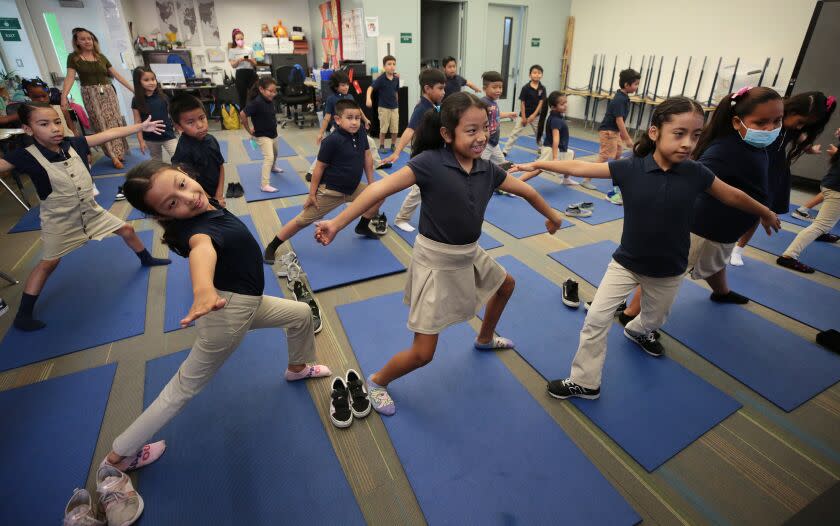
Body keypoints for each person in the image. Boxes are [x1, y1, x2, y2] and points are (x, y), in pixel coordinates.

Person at [508, 97, 779, 399]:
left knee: (653, 319)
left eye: (696, 135)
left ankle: (638, 330)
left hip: (668, 269)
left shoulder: (697, 173)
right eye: (679, 133)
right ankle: (585, 381)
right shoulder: (630, 169)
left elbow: (732, 195)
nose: (688, 143)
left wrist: (765, 211)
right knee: (596, 318)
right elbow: (580, 164)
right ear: (654, 132)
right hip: (626, 263)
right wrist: (539, 163)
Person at [99, 160, 330, 515]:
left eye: (182, 184)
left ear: (186, 172)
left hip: (245, 301)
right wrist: (203, 289)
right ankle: (116, 459)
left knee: (300, 315)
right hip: (227, 312)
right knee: (182, 389)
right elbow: (202, 251)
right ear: (162, 215)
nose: (187, 198)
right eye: (171, 203)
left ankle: (297, 367)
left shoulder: (205, 206)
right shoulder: (197, 230)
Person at [314, 92, 565, 415]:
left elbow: (527, 190)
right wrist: (337, 222)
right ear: (447, 133)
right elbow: (379, 189)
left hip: (469, 253)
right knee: (423, 353)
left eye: (483, 128)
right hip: (436, 262)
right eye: (470, 130)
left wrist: (553, 216)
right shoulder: (430, 163)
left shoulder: (486, 169)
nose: (480, 137)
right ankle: (377, 380)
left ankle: (484, 338)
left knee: (505, 285)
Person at [0, 103, 171, 332]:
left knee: (127, 230)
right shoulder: (24, 156)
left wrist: (140, 126)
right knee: (48, 263)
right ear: (28, 129)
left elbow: (107, 134)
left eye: (57, 122)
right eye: (44, 124)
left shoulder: (74, 144)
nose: (55, 128)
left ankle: (146, 259)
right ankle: (23, 314)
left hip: (91, 211)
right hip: (59, 221)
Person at [621, 87, 785, 323]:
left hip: (724, 229)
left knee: (716, 263)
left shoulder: (755, 146)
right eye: (761, 122)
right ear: (738, 122)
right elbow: (687, 176)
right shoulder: (724, 151)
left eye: (777, 121)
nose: (770, 129)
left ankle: (722, 292)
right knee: (666, 274)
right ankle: (631, 313)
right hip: (702, 228)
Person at [263, 99, 386, 274]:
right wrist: (312, 195)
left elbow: (367, 157)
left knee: (379, 195)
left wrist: (372, 183)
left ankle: (363, 225)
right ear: (337, 119)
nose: (354, 122)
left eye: (357, 118)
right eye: (349, 117)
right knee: (301, 221)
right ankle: (273, 245)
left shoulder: (360, 134)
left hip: (353, 188)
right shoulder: (331, 141)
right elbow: (319, 168)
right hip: (331, 192)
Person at [730, 92, 837, 265]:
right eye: (800, 122)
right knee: (737, 202)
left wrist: (810, 149)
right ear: (791, 111)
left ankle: (738, 248)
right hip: (754, 164)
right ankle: (727, 241)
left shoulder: (794, 129)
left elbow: (802, 138)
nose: (799, 127)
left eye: (805, 125)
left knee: (758, 211)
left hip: (773, 170)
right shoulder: (770, 119)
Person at [383, 69, 447, 232]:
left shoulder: (435, 105)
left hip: (436, 155)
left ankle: (435, 216)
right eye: (440, 88)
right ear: (427, 88)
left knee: (436, 188)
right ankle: (401, 218)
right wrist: (397, 152)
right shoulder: (422, 108)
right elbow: (410, 130)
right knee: (417, 191)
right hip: (423, 158)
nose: (443, 92)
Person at [61, 27, 134, 170]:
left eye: (89, 38)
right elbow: (69, 78)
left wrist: (133, 89)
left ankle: (120, 152)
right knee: (101, 124)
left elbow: (117, 75)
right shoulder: (74, 58)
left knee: (115, 121)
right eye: (83, 39)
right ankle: (113, 156)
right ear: (77, 42)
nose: (87, 41)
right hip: (90, 94)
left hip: (108, 92)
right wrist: (64, 96)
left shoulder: (101, 57)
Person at [306, 71, 382, 183]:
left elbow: (358, 110)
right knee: (327, 150)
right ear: (336, 86)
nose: (346, 87)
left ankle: (377, 163)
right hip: (337, 130)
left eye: (347, 84)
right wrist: (321, 133)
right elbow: (327, 117)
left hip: (353, 130)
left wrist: (365, 120)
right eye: (342, 85)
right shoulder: (331, 99)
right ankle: (312, 171)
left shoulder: (350, 96)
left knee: (369, 142)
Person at [777, 142, 840, 272]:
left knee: (826, 220)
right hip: (836, 188)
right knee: (821, 225)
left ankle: (823, 233)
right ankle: (789, 256)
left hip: (832, 183)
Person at [581, 68, 641, 199]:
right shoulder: (619, 99)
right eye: (635, 84)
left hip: (614, 131)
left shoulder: (623, 97)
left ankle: (616, 173)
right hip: (609, 131)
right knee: (604, 155)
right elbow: (619, 121)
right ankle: (586, 179)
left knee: (618, 152)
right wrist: (627, 139)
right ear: (627, 84)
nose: (637, 86)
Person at [170, 94, 226, 207]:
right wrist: (211, 202)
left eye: (202, 118)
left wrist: (219, 194)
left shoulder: (211, 139)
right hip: (198, 199)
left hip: (216, 193)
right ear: (179, 127)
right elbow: (190, 183)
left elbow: (220, 166)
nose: (200, 125)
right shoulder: (184, 151)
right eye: (190, 122)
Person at [517, 91, 578, 185]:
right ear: (553, 107)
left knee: (571, 155)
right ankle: (517, 183)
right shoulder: (556, 120)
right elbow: (555, 139)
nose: (566, 105)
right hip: (551, 150)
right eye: (562, 104)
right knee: (537, 169)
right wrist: (555, 158)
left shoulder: (557, 116)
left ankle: (566, 179)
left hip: (558, 149)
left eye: (566, 102)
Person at [240, 76, 285, 193]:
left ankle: (273, 167)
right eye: (271, 91)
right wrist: (249, 130)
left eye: (275, 91)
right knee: (269, 157)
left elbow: (265, 115)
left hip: (273, 133)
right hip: (262, 135)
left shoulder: (269, 100)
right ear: (261, 89)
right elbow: (243, 114)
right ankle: (264, 185)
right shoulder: (256, 102)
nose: (273, 94)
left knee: (275, 154)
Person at [131, 67, 177, 162]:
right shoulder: (136, 100)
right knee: (156, 161)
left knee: (178, 156)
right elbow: (137, 121)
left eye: (153, 79)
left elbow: (171, 114)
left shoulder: (163, 97)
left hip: (168, 135)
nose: (151, 82)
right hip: (150, 138)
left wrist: (179, 127)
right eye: (146, 80)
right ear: (138, 82)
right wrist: (141, 141)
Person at [501, 65, 546, 156]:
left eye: (539, 73)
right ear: (530, 75)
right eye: (534, 73)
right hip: (524, 116)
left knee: (539, 133)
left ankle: (541, 149)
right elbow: (522, 103)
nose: (537, 75)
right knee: (515, 133)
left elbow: (541, 102)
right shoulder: (525, 88)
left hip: (536, 116)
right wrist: (524, 117)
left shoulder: (542, 88)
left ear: (542, 75)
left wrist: (534, 115)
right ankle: (505, 150)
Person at [479, 70, 518, 165]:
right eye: (494, 87)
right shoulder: (484, 103)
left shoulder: (493, 102)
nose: (498, 90)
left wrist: (508, 114)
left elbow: (495, 116)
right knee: (480, 164)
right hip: (486, 143)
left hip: (494, 142)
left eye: (500, 87)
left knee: (502, 163)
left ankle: (501, 178)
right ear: (485, 88)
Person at [366, 55, 400, 154]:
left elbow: (396, 91)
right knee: (383, 128)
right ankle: (381, 145)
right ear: (384, 66)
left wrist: (397, 103)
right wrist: (368, 98)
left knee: (395, 128)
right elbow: (370, 88)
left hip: (394, 107)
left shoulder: (396, 79)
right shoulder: (381, 79)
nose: (392, 66)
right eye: (389, 64)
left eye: (394, 64)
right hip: (384, 108)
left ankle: (393, 145)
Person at [228, 28, 257, 108]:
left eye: (241, 39)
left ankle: (255, 113)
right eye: (238, 39)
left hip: (251, 73)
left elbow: (255, 63)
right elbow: (233, 65)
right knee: (242, 97)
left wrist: (249, 60)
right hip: (240, 74)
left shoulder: (250, 49)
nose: (240, 40)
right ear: (235, 40)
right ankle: (243, 116)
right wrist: (238, 60)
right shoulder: (232, 50)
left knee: (254, 95)